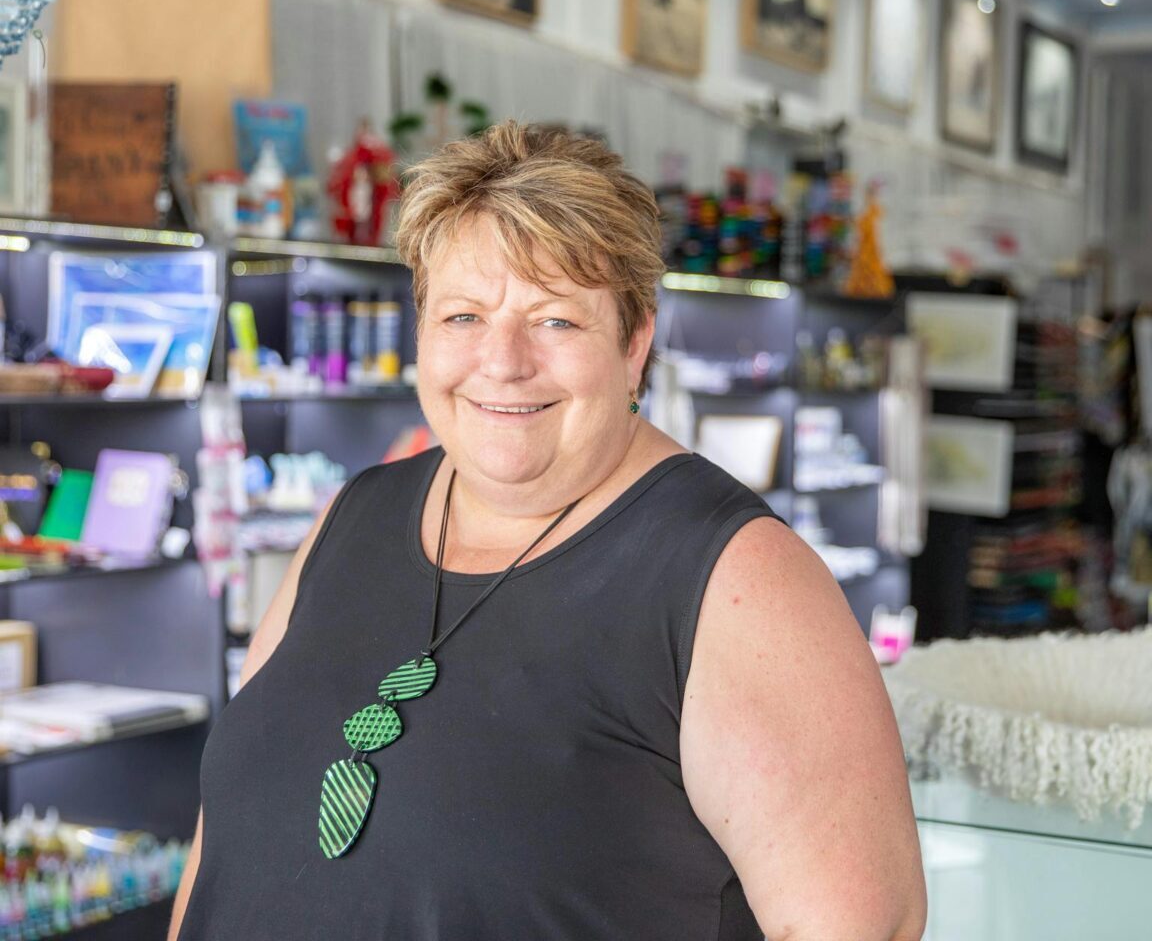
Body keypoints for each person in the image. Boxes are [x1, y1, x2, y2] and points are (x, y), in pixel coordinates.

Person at [169, 121, 926, 941]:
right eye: (463, 316)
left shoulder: (736, 581)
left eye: (556, 321)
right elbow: (222, 846)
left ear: (635, 343)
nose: (503, 361)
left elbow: (865, 925)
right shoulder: (354, 517)